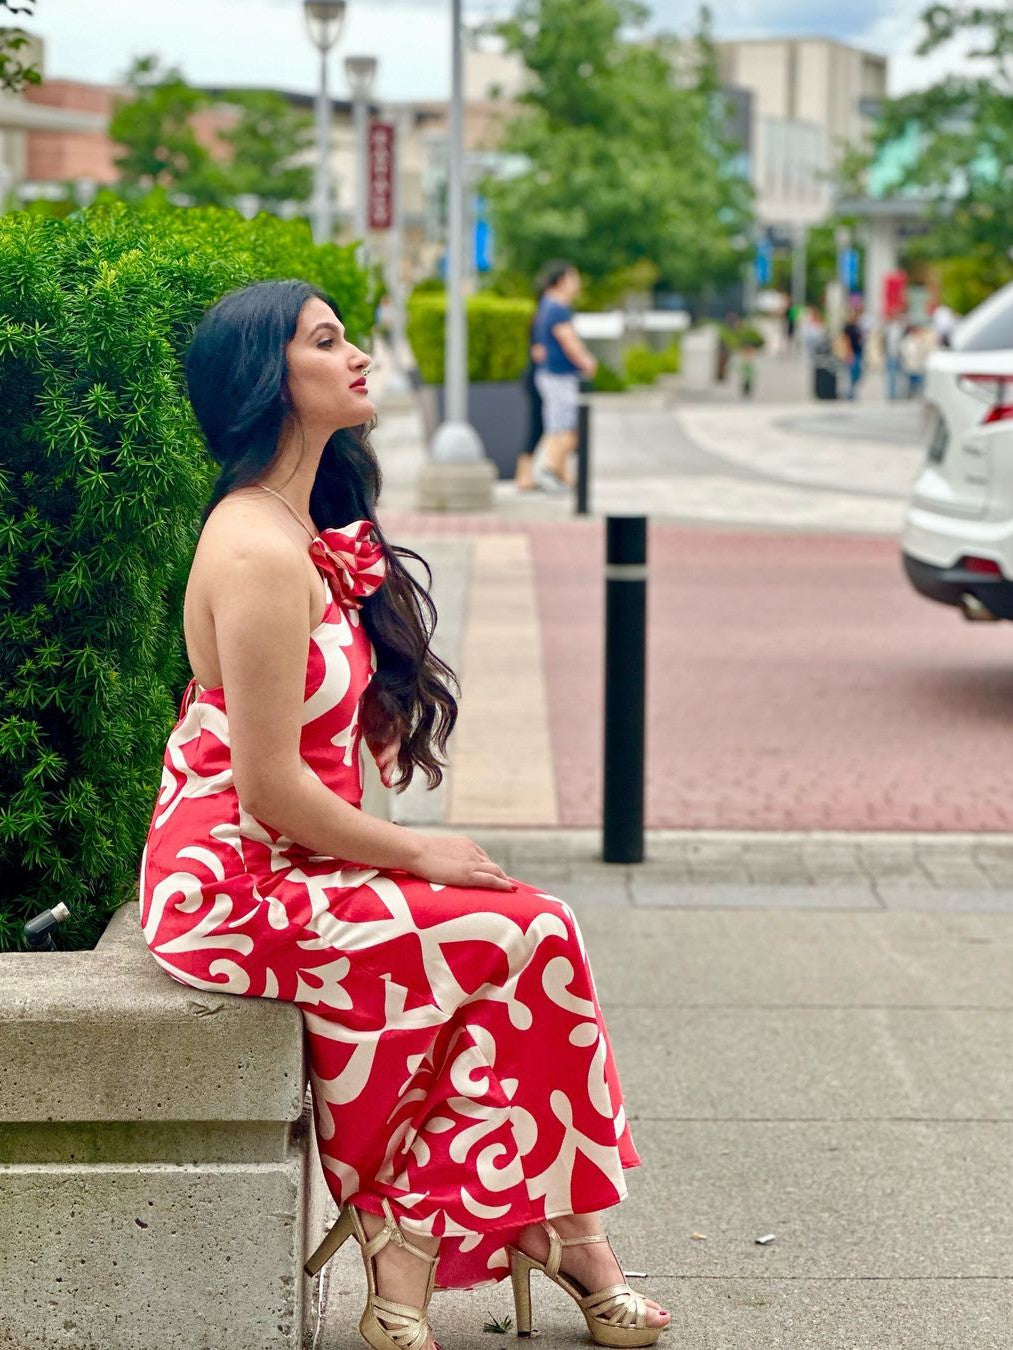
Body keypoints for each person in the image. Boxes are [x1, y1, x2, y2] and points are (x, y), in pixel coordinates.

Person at [138, 280, 669, 1350]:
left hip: (297, 864)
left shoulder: (301, 529)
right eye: (326, 342)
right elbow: (267, 789)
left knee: (531, 933)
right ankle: (481, 1247)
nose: (359, 355)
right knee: (509, 932)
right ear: (267, 382)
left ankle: (508, 1243)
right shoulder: (251, 547)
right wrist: (423, 851)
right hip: (235, 888)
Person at [530, 261, 597, 492]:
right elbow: (568, 340)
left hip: (550, 375)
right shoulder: (557, 308)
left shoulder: (545, 305)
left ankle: (558, 474)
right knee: (567, 428)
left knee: (558, 426)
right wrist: (586, 361)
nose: (577, 284)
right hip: (559, 376)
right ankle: (549, 470)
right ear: (561, 280)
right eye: (574, 278)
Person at [515, 279, 548, 492]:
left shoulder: (540, 314)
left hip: (534, 378)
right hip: (536, 378)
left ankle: (527, 474)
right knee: (537, 426)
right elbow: (538, 351)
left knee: (541, 426)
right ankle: (524, 475)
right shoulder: (543, 316)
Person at [842, 308, 865, 400]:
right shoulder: (848, 327)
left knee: (858, 373)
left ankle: (852, 391)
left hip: (859, 352)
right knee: (852, 373)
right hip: (852, 353)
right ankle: (850, 393)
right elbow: (846, 340)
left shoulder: (857, 326)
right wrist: (849, 352)